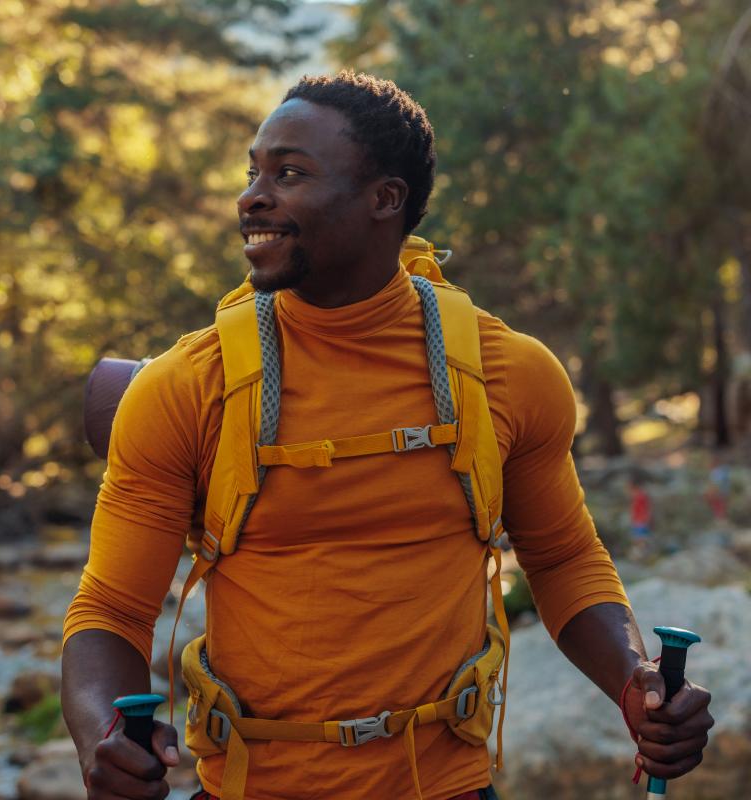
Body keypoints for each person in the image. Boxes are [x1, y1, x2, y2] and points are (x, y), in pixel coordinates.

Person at [61, 72, 713, 800]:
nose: (253, 196)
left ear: (385, 199)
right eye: (253, 172)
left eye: (290, 173)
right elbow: (112, 610)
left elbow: (563, 559)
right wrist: (104, 736)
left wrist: (635, 684)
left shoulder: (507, 374)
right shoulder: (190, 384)